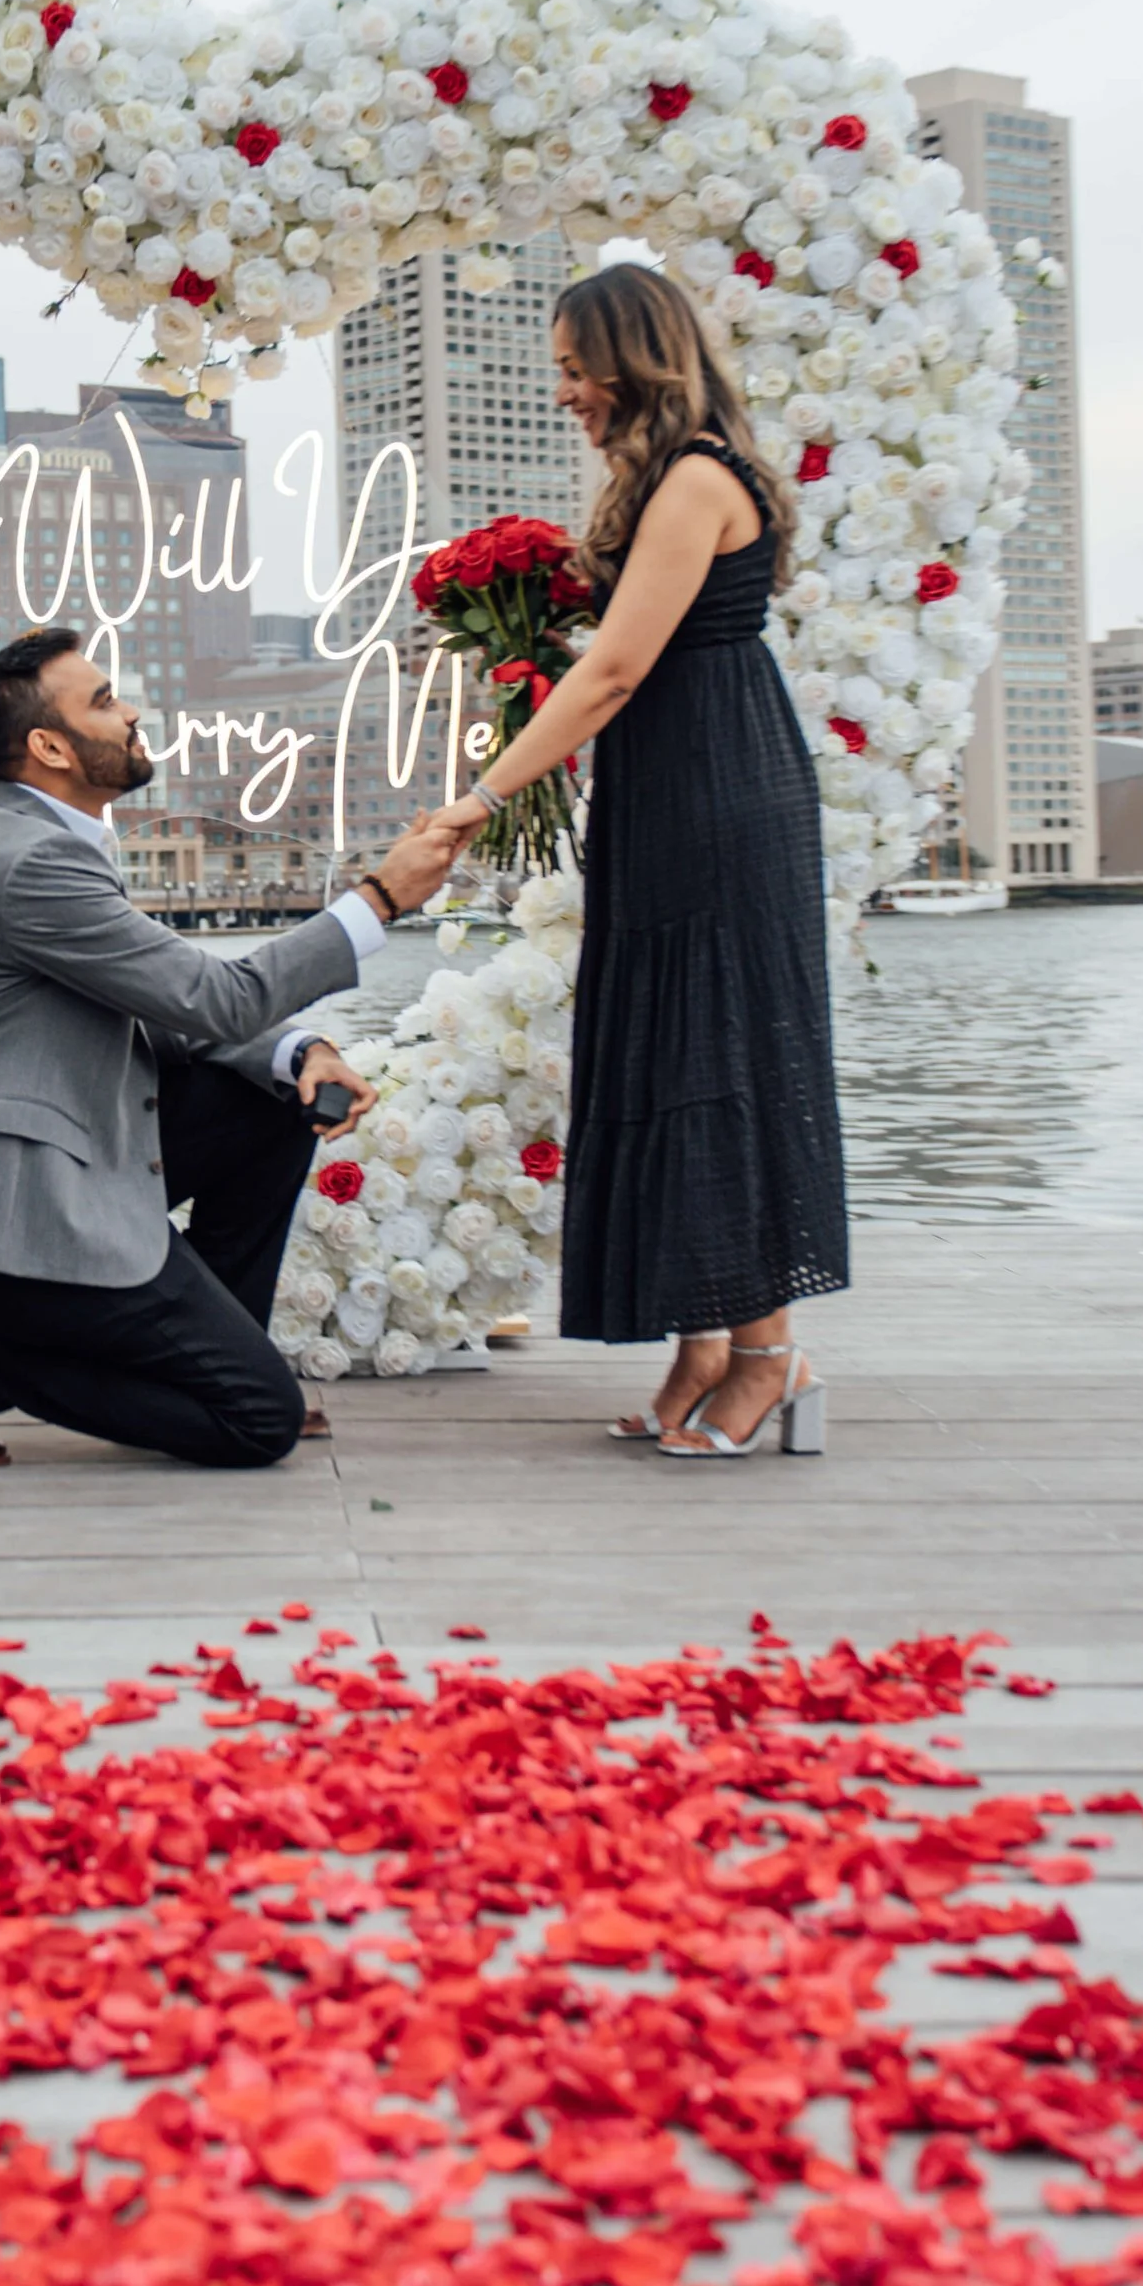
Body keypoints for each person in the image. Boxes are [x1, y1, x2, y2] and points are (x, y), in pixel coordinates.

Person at [0, 626, 465, 1469]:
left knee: (268, 1109)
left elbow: (170, 1010)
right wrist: (379, 899)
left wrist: (298, 1053)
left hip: (50, 1159)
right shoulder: (32, 864)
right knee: (256, 1423)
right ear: (50, 746)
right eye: (106, 702)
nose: (132, 712)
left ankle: (213, 1354)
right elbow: (214, 996)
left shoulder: (52, 844)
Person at [431, 261, 848, 1453]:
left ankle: (769, 1352)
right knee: (671, 1046)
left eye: (573, 367)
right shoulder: (665, 479)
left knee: (716, 1048)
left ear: (632, 359)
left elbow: (612, 674)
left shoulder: (698, 479)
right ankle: (705, 1341)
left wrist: (480, 797)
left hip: (717, 784)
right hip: (677, 783)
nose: (562, 389)